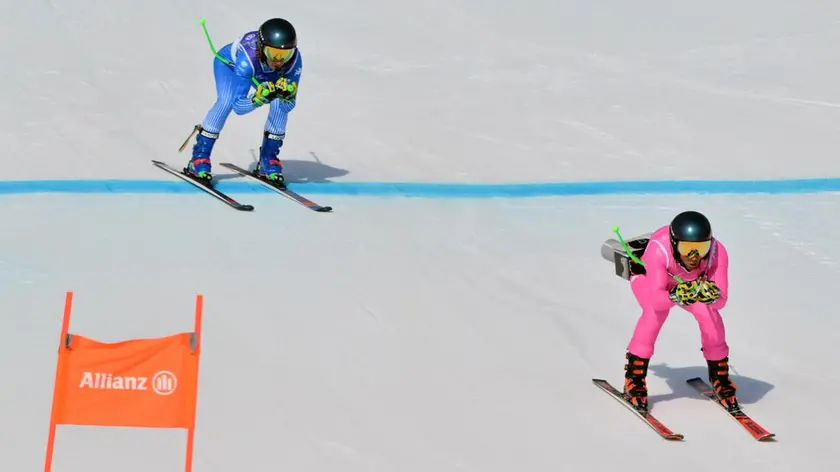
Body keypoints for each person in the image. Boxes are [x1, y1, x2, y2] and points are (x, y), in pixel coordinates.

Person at [621, 210, 738, 412]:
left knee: (708, 313)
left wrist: (710, 295)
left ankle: (719, 376)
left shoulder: (718, 252)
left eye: (701, 248)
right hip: (650, 280)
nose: (694, 257)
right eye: (687, 249)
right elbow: (657, 300)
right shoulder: (659, 249)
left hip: (686, 284)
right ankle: (634, 377)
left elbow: (721, 302)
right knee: (655, 313)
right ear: (674, 244)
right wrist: (676, 295)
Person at [185, 18, 303, 184]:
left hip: (261, 74)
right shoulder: (247, 60)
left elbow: (289, 106)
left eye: (286, 54)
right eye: (273, 54)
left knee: (278, 105)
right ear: (262, 49)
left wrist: (287, 96)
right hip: (230, 66)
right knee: (225, 102)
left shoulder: (295, 61)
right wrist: (258, 99)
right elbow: (238, 107)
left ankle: (268, 160)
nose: (279, 61)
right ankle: (199, 157)